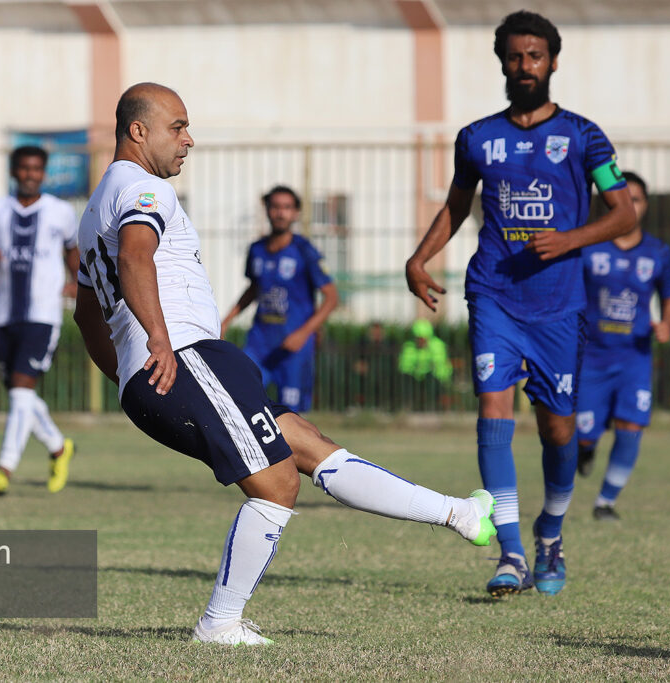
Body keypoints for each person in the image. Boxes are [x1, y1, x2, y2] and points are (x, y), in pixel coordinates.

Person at [74, 82, 498, 646]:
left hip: (174, 368)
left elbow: (85, 316)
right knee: (276, 484)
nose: (188, 139)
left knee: (303, 441)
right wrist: (159, 343)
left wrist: (132, 376)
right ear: (138, 131)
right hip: (185, 357)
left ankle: (456, 513)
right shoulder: (142, 187)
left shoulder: (91, 210)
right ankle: (220, 622)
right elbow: (135, 254)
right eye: (177, 127)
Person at [404, 10, 636, 597]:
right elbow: (457, 207)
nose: (524, 65)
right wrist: (419, 257)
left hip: (558, 305)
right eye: (515, 56)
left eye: (535, 56)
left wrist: (570, 239)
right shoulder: (478, 137)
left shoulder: (584, 136)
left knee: (558, 433)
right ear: (502, 62)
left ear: (552, 62)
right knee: (492, 411)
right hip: (494, 293)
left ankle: (550, 531)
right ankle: (509, 552)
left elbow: (624, 212)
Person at [0, 145, 78, 495]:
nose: (30, 175)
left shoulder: (60, 212)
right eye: (24, 169)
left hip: (42, 316)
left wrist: (78, 285)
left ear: (44, 173)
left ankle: (4, 469)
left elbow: (74, 254)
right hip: (4, 316)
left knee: (21, 391)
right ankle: (59, 447)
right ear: (14, 171)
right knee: (19, 393)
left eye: (36, 169)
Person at [576, 172, 670, 519]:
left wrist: (666, 324)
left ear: (645, 205)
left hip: (634, 358)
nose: (630, 206)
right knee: (584, 433)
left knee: (632, 426)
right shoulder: (588, 249)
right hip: (590, 358)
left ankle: (605, 502)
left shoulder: (658, 252)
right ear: (610, 203)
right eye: (623, 198)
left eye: (637, 199)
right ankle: (585, 448)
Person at [221, 185, 339, 412]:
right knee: (241, 400)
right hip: (259, 342)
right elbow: (254, 289)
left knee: (291, 414)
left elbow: (331, 297)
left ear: (295, 213)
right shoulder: (256, 249)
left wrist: (304, 333)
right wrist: (226, 320)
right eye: (275, 207)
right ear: (266, 210)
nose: (280, 213)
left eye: (286, 207)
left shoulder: (305, 251)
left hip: (293, 345)